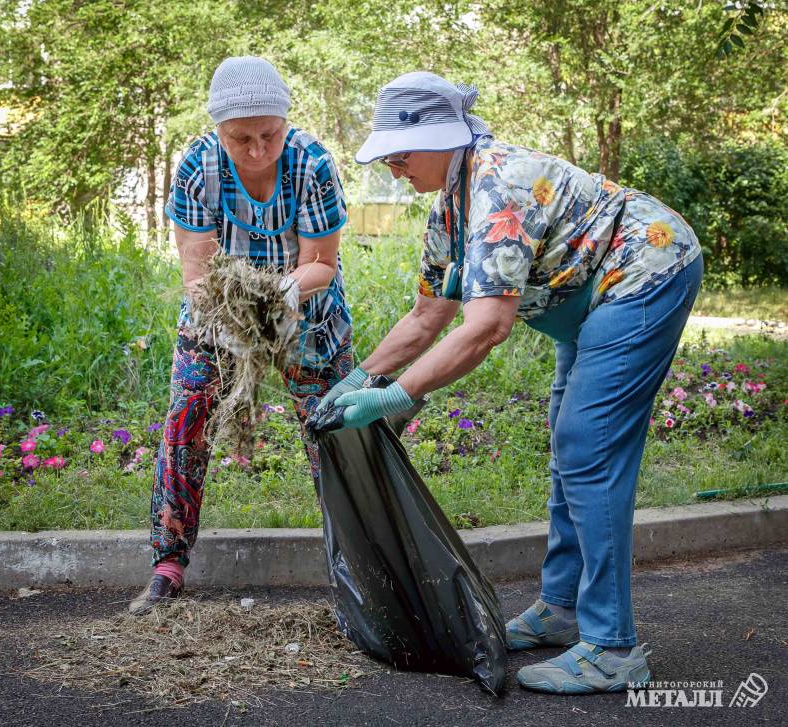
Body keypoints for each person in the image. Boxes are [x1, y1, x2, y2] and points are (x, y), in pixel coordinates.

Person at [317, 71, 703, 695]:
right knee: (568, 445)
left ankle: (612, 648)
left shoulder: (499, 187)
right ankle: (562, 609)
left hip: (646, 271)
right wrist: (359, 377)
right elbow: (426, 317)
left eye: (399, 153)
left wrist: (396, 396)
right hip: (589, 298)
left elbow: (486, 328)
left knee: (588, 447)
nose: (393, 169)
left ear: (444, 139)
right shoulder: (452, 204)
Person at [129, 56, 356, 615]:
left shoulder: (311, 164)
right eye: (241, 139)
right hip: (218, 317)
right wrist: (241, 323)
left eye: (269, 135)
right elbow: (199, 276)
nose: (258, 150)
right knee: (188, 419)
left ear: (286, 123)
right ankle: (167, 562)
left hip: (305, 310)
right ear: (218, 131)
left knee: (334, 428)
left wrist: (277, 297)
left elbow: (321, 263)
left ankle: (358, 561)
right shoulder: (197, 169)